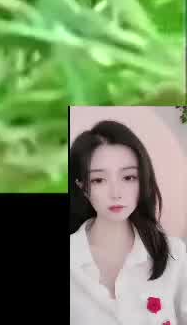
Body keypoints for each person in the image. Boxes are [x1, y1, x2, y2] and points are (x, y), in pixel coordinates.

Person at [70, 119, 187, 324]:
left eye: (128, 177)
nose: (116, 193)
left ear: (142, 180)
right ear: (82, 186)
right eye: (99, 180)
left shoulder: (174, 254)